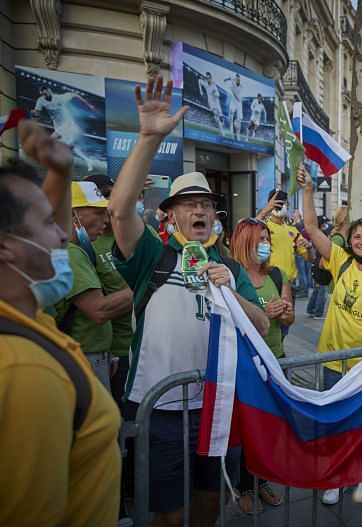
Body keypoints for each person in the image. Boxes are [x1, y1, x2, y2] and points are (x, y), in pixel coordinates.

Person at [107, 76, 269, 527]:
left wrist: (230, 292)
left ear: (216, 217)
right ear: (171, 213)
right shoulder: (153, 256)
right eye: (188, 203)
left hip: (217, 406)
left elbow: (261, 326)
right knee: (167, 513)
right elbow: (119, 212)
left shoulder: (230, 267)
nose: (199, 210)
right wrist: (147, 138)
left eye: (206, 204)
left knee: (209, 504)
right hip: (158, 409)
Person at [0, 120, 121, 525]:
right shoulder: (24, 370)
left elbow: (33, 228)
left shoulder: (24, 319)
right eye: (50, 224)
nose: (63, 238)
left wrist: (60, 172)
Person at [298, 166, 362, 506]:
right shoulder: (339, 260)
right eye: (357, 236)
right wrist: (309, 190)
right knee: (334, 422)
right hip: (332, 360)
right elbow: (311, 228)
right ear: (349, 240)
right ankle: (335, 477)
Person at [228, 218, 291, 514]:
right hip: (246, 365)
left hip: (275, 361)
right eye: (260, 238)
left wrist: (285, 312)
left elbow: (289, 321)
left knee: (269, 430)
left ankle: (261, 481)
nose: (265, 244)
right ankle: (241, 487)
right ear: (245, 242)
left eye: (267, 238)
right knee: (245, 432)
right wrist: (262, 312)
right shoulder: (231, 275)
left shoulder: (277, 275)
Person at [53, 180, 132, 392]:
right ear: (72, 215)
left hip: (91, 354)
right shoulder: (70, 252)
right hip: (83, 356)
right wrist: (145, 284)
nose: (106, 220)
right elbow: (99, 310)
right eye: (98, 213)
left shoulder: (78, 249)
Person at [32, 85, 96, 171]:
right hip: (57, 126)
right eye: (42, 95)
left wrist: (88, 104)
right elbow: (38, 113)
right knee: (69, 146)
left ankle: (49, 162)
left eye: (45, 94)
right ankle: (88, 160)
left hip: (67, 123)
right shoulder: (41, 100)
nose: (44, 96)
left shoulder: (61, 98)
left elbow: (74, 95)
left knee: (51, 140)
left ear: (49, 91)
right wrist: (35, 115)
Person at [306, 214, 332, 319]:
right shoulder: (319, 235)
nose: (326, 225)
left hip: (316, 265)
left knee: (317, 289)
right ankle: (318, 312)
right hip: (320, 266)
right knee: (322, 290)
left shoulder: (321, 234)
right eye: (325, 223)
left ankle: (311, 309)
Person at [224, 73, 244, 140]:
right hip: (233, 102)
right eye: (235, 78)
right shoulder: (233, 80)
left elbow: (236, 94)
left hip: (239, 103)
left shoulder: (241, 87)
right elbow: (230, 77)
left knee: (239, 120)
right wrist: (226, 79)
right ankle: (231, 133)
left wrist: (232, 86)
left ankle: (238, 135)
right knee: (231, 116)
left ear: (239, 79)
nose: (236, 80)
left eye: (237, 79)